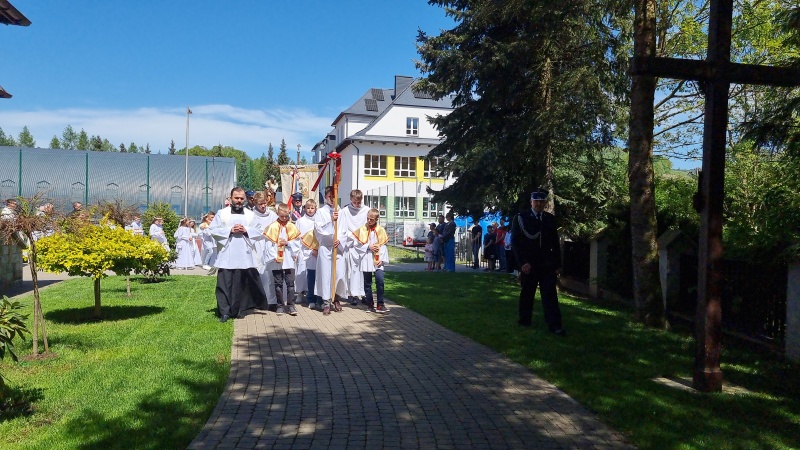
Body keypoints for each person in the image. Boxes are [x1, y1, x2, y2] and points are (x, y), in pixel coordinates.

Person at [209, 187, 269, 322]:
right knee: (224, 284)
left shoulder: (250, 214)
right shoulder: (222, 213)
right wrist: (230, 230)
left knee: (241, 284)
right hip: (227, 254)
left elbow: (259, 231)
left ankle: (239, 310)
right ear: (231, 198)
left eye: (241, 198)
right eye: (236, 198)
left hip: (244, 255)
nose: (239, 200)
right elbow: (212, 230)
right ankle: (224, 311)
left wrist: (246, 230)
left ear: (245, 199)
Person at [512, 190, 565, 336]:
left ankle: (555, 325)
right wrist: (523, 262)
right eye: (536, 201)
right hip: (529, 263)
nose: (539, 204)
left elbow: (555, 243)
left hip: (547, 264)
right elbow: (516, 243)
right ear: (531, 202)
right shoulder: (521, 218)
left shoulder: (549, 218)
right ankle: (524, 320)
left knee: (550, 295)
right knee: (527, 293)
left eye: (542, 201)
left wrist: (557, 264)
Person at [263, 203, 302, 316]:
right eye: (282, 216)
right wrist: (273, 256)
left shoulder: (292, 226)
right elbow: (268, 244)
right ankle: (280, 305)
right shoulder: (273, 227)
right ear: (277, 214)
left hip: (288, 258)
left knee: (290, 283)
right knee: (278, 283)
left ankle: (291, 305)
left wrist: (288, 243)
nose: (284, 218)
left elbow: (297, 242)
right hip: (277, 260)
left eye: (286, 216)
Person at [314, 186, 348, 315]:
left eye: (334, 197)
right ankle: (326, 302)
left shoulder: (341, 212)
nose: (332, 199)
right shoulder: (321, 212)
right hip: (326, 247)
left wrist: (340, 240)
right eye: (330, 197)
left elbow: (344, 230)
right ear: (326, 197)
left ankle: (336, 297)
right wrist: (331, 220)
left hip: (337, 248)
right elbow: (318, 229)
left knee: (339, 274)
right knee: (326, 274)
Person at [350, 208, 389, 313]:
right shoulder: (362, 229)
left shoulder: (381, 230)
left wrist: (382, 259)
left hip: (378, 259)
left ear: (376, 219)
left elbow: (383, 245)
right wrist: (368, 246)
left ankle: (380, 304)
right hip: (366, 258)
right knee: (367, 283)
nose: (369, 221)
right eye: (367, 218)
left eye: (371, 219)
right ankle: (370, 304)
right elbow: (357, 245)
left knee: (380, 281)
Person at [338, 189, 369, 305]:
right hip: (350, 244)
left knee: (363, 270)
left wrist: (362, 238)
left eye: (358, 202)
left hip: (362, 244)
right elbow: (342, 227)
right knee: (351, 270)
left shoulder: (366, 210)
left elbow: (369, 226)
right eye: (354, 202)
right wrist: (352, 237)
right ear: (350, 199)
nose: (356, 205)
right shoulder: (345, 211)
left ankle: (364, 293)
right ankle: (352, 294)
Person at [251, 191, 279, 308]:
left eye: (264, 203)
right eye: (260, 204)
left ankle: (272, 301)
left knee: (270, 273)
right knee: (259, 272)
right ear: (255, 203)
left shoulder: (272, 215)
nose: (263, 206)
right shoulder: (251, 215)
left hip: (270, 245)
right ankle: (259, 300)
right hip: (257, 245)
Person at [295, 199, 320, 309]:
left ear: (315, 209)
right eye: (308, 208)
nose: (310, 210)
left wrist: (316, 250)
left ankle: (313, 296)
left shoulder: (318, 221)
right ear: (305, 208)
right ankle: (300, 293)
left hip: (315, 252)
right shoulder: (300, 221)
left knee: (313, 275)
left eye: (312, 208)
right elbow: (296, 236)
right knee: (301, 273)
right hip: (303, 250)